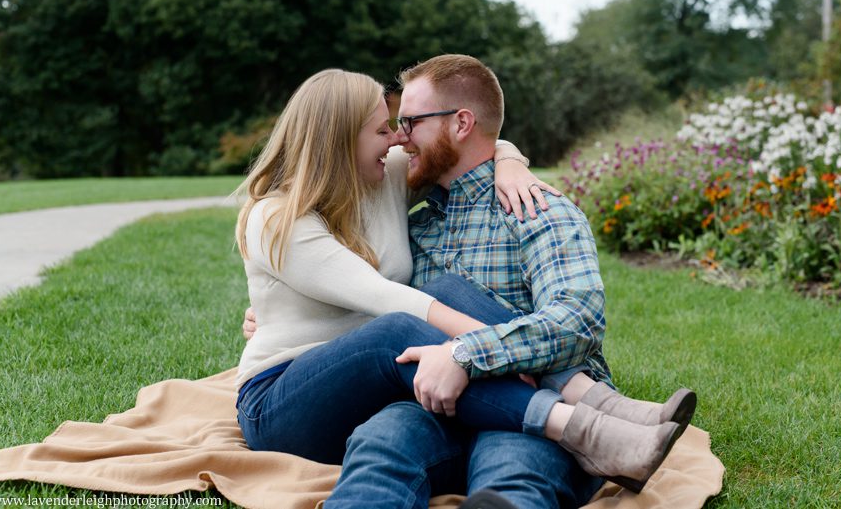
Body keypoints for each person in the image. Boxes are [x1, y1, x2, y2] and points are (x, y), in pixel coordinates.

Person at [237, 60, 695, 505]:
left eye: (409, 122)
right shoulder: (399, 206)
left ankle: (592, 422)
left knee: (513, 467)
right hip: (424, 392)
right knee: (382, 442)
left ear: (460, 124)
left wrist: (509, 158)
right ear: (341, 140)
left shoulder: (535, 209)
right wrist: (279, 318)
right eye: (388, 128)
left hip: (504, 391)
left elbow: (577, 322)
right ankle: (596, 413)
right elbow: (379, 303)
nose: (399, 138)